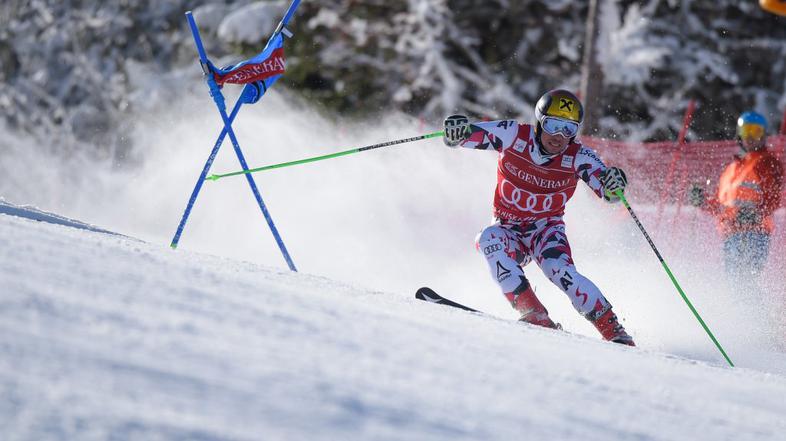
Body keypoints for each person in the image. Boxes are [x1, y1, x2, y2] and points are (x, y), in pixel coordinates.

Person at [442, 89, 635, 346]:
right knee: (488, 239)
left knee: (560, 271)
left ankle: (615, 332)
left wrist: (614, 184)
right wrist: (456, 132)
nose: (559, 136)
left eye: (569, 129)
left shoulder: (578, 155)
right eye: (553, 125)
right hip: (508, 229)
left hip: (545, 232)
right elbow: (466, 135)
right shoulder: (513, 135)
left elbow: (608, 191)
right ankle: (534, 313)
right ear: (540, 122)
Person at [689, 111, 784, 281]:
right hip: (731, 233)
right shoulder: (733, 168)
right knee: (735, 282)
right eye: (747, 131)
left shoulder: (766, 162)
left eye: (756, 131)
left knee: (743, 280)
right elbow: (722, 206)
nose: (751, 137)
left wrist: (755, 215)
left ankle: (751, 300)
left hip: (753, 232)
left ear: (764, 135)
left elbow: (773, 197)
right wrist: (702, 201)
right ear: (739, 134)